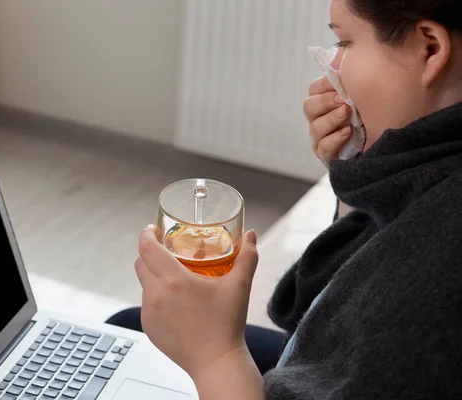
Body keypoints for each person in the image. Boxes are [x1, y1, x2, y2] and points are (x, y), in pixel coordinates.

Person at [107, 0, 462, 398]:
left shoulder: (440, 268)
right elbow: (325, 305)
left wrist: (216, 355)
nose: (330, 68)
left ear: (430, 48)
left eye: (344, 42)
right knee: (127, 326)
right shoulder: (434, 172)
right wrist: (357, 171)